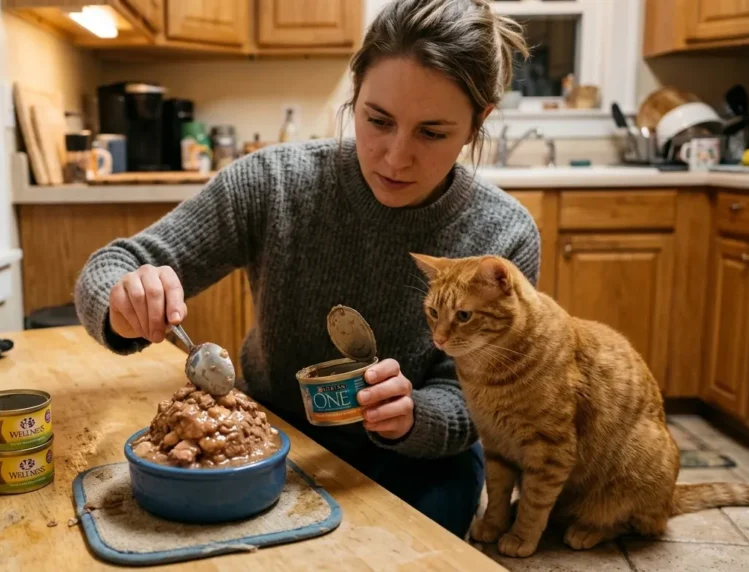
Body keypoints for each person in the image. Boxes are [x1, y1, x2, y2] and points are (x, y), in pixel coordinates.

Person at [75, 0, 538, 539]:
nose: (395, 157)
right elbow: (112, 265)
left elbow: (476, 403)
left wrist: (414, 415)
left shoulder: (504, 238)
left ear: (477, 123)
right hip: (275, 438)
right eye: (378, 120)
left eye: (432, 133)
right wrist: (124, 301)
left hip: (421, 462)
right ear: (355, 93)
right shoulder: (272, 183)